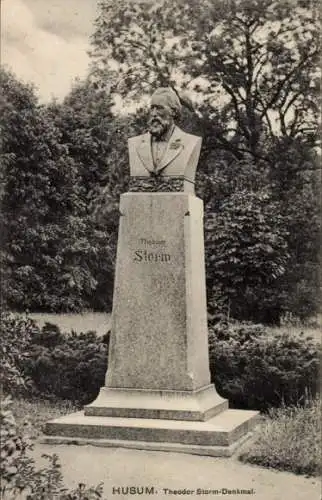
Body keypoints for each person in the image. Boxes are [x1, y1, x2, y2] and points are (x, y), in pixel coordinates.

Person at [128, 87, 202, 192]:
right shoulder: (135, 144)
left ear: (174, 112)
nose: (154, 113)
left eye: (159, 108)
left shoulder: (190, 142)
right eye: (152, 108)